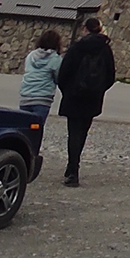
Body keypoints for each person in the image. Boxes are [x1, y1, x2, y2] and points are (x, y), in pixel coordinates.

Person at [53, 17, 115, 188]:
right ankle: (73, 166)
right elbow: (110, 75)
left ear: (85, 29)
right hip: (93, 98)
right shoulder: (105, 49)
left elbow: (64, 73)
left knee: (73, 132)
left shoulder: (77, 47)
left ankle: (72, 169)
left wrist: (68, 90)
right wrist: (99, 89)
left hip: (74, 96)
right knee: (83, 132)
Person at [17, 30, 64, 176]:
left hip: (26, 95)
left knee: (23, 129)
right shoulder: (55, 59)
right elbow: (58, 77)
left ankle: (20, 157)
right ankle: (33, 160)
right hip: (42, 98)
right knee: (37, 130)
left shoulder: (31, 55)